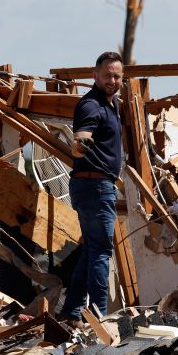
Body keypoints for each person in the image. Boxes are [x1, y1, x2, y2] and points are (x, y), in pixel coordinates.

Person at [60, 51, 124, 324]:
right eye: (107, 75)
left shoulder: (112, 103)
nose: (112, 80)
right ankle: (99, 319)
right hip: (95, 186)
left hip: (94, 185)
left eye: (117, 76)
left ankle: (72, 312)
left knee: (91, 251)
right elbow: (81, 140)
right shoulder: (91, 105)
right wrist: (82, 146)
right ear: (94, 75)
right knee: (101, 252)